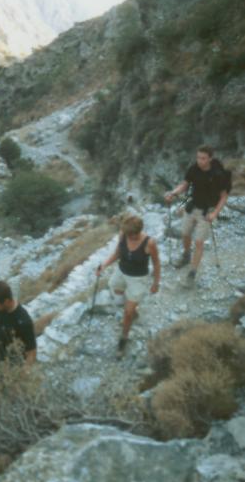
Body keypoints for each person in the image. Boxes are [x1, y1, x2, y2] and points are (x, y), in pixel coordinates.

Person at [97, 215, 161, 360]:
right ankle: (133, 311)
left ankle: (123, 338)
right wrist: (104, 265)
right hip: (121, 272)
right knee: (117, 294)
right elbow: (117, 253)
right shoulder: (123, 235)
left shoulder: (149, 243)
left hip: (138, 279)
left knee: (127, 313)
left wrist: (156, 283)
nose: (129, 238)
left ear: (138, 232)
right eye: (127, 235)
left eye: (131, 236)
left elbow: (156, 263)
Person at [165, 145, 230, 285]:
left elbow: (224, 196)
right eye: (198, 157)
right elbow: (185, 184)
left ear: (210, 158)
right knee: (185, 234)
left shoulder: (218, 174)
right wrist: (174, 193)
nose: (200, 161)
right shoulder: (194, 168)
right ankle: (186, 255)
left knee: (199, 242)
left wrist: (215, 213)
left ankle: (192, 272)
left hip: (207, 211)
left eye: (203, 158)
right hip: (192, 206)